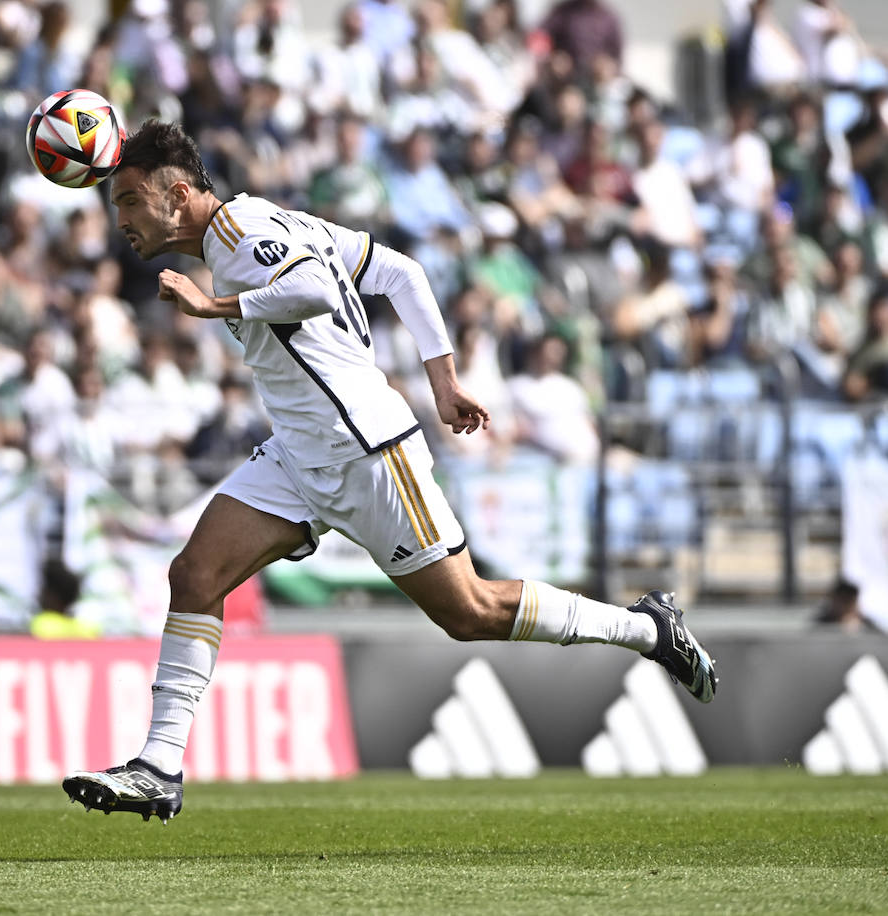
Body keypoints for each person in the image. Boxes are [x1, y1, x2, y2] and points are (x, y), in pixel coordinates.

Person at [62, 121, 718, 823]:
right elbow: (403, 272)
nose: (120, 219)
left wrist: (214, 305)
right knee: (194, 575)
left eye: (129, 200)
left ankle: (648, 628)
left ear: (179, 193)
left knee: (470, 612)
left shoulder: (245, 233)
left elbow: (312, 289)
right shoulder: (272, 222)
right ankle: (160, 766)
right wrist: (442, 381)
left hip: (367, 451)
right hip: (298, 454)